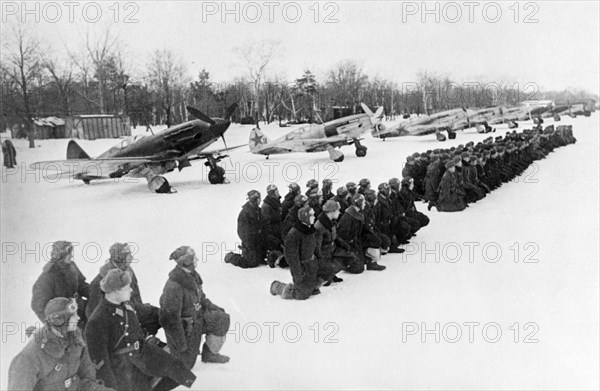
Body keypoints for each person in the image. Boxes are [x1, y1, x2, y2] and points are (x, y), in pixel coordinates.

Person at [86, 269, 196, 391]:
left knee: (178, 370)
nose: (131, 290)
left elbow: (139, 340)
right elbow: (100, 362)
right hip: (121, 371)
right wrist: (110, 386)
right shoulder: (97, 320)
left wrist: (164, 358)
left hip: (140, 358)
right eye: (127, 287)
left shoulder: (127, 307)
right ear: (115, 291)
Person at [8, 298, 114, 391]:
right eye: (74, 315)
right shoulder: (30, 356)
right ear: (60, 320)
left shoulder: (76, 341)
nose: (78, 318)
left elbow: (86, 380)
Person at [160, 246, 231, 369]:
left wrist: (214, 308)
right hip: (185, 330)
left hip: (198, 320)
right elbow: (169, 320)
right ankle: (160, 348)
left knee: (221, 319)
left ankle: (210, 354)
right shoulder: (174, 286)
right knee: (186, 365)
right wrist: (180, 345)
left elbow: (201, 298)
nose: (196, 260)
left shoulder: (193, 276)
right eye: (194, 258)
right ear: (187, 262)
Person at [86, 243, 161, 336]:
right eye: (128, 257)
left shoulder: (128, 271)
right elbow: (95, 314)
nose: (131, 259)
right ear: (119, 259)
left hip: (133, 309)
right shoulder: (99, 283)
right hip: (117, 318)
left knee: (161, 315)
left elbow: (136, 296)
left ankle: (145, 336)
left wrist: (140, 311)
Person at [31, 241, 90, 326]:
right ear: (60, 256)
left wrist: (96, 293)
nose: (71, 256)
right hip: (65, 320)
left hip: (79, 311)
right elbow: (37, 306)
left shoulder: (72, 267)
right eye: (68, 254)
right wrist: (54, 325)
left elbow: (81, 285)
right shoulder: (47, 277)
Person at [271, 206, 321, 300]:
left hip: (311, 264)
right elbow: (291, 257)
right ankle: (278, 287)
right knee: (301, 295)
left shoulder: (310, 230)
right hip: (302, 267)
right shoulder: (294, 234)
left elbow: (314, 247)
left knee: (311, 287)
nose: (314, 217)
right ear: (306, 217)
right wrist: (298, 273)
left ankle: (309, 288)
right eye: (312, 215)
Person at [227, 190, 264, 268]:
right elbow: (242, 231)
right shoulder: (245, 213)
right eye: (259, 198)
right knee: (250, 263)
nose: (260, 200)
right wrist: (248, 242)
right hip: (250, 241)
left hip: (257, 239)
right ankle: (231, 257)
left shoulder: (257, 210)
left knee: (259, 259)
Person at [314, 200, 344, 286]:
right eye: (337, 210)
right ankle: (323, 276)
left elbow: (333, 236)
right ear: (332, 212)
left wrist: (342, 243)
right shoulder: (320, 226)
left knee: (348, 257)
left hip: (329, 252)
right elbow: (317, 248)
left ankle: (330, 273)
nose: (339, 212)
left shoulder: (331, 222)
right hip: (323, 256)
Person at [261, 185, 284, 266]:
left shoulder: (276, 202)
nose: (278, 193)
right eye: (276, 192)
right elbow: (266, 225)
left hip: (278, 230)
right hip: (272, 234)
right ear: (272, 194)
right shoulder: (266, 207)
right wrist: (272, 238)